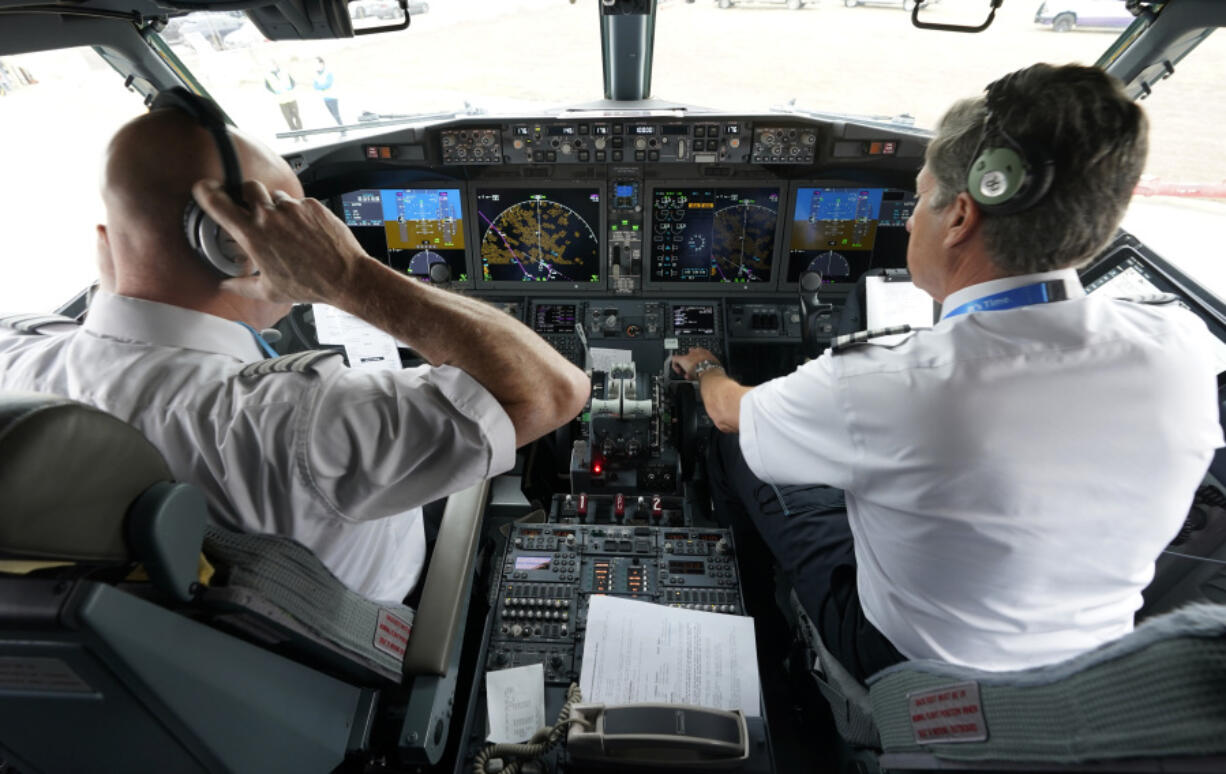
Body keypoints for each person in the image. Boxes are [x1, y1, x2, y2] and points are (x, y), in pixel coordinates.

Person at [673, 63, 1224, 680]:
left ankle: (767, 630)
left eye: (918, 198)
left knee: (742, 450)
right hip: (1089, 668)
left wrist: (706, 367)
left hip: (909, 661)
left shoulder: (887, 383)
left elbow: (728, 411)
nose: (908, 221)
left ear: (960, 217)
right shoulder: (1182, 347)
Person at [0, 106, 589, 603]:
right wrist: (348, 275)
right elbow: (553, 389)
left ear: (105, 245)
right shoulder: (297, 422)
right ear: (238, 250)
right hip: (378, 620)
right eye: (297, 226)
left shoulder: (15, 363)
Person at [264, 60, 302, 137]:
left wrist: (290, 87)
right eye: (270, 65)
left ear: (276, 64)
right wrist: (274, 91)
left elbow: (293, 82)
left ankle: (303, 133)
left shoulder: (284, 71)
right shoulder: (268, 76)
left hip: (291, 98)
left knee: (297, 116)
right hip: (281, 101)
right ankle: (295, 135)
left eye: (273, 64)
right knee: (288, 118)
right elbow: (267, 87)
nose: (272, 66)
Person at [314, 57, 343, 129]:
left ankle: (343, 130)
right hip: (325, 98)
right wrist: (322, 87)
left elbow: (328, 85)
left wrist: (321, 86)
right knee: (333, 115)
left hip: (332, 97)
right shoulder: (317, 75)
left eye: (318, 63)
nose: (316, 66)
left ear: (322, 64)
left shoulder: (328, 73)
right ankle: (342, 129)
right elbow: (315, 86)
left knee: (337, 115)